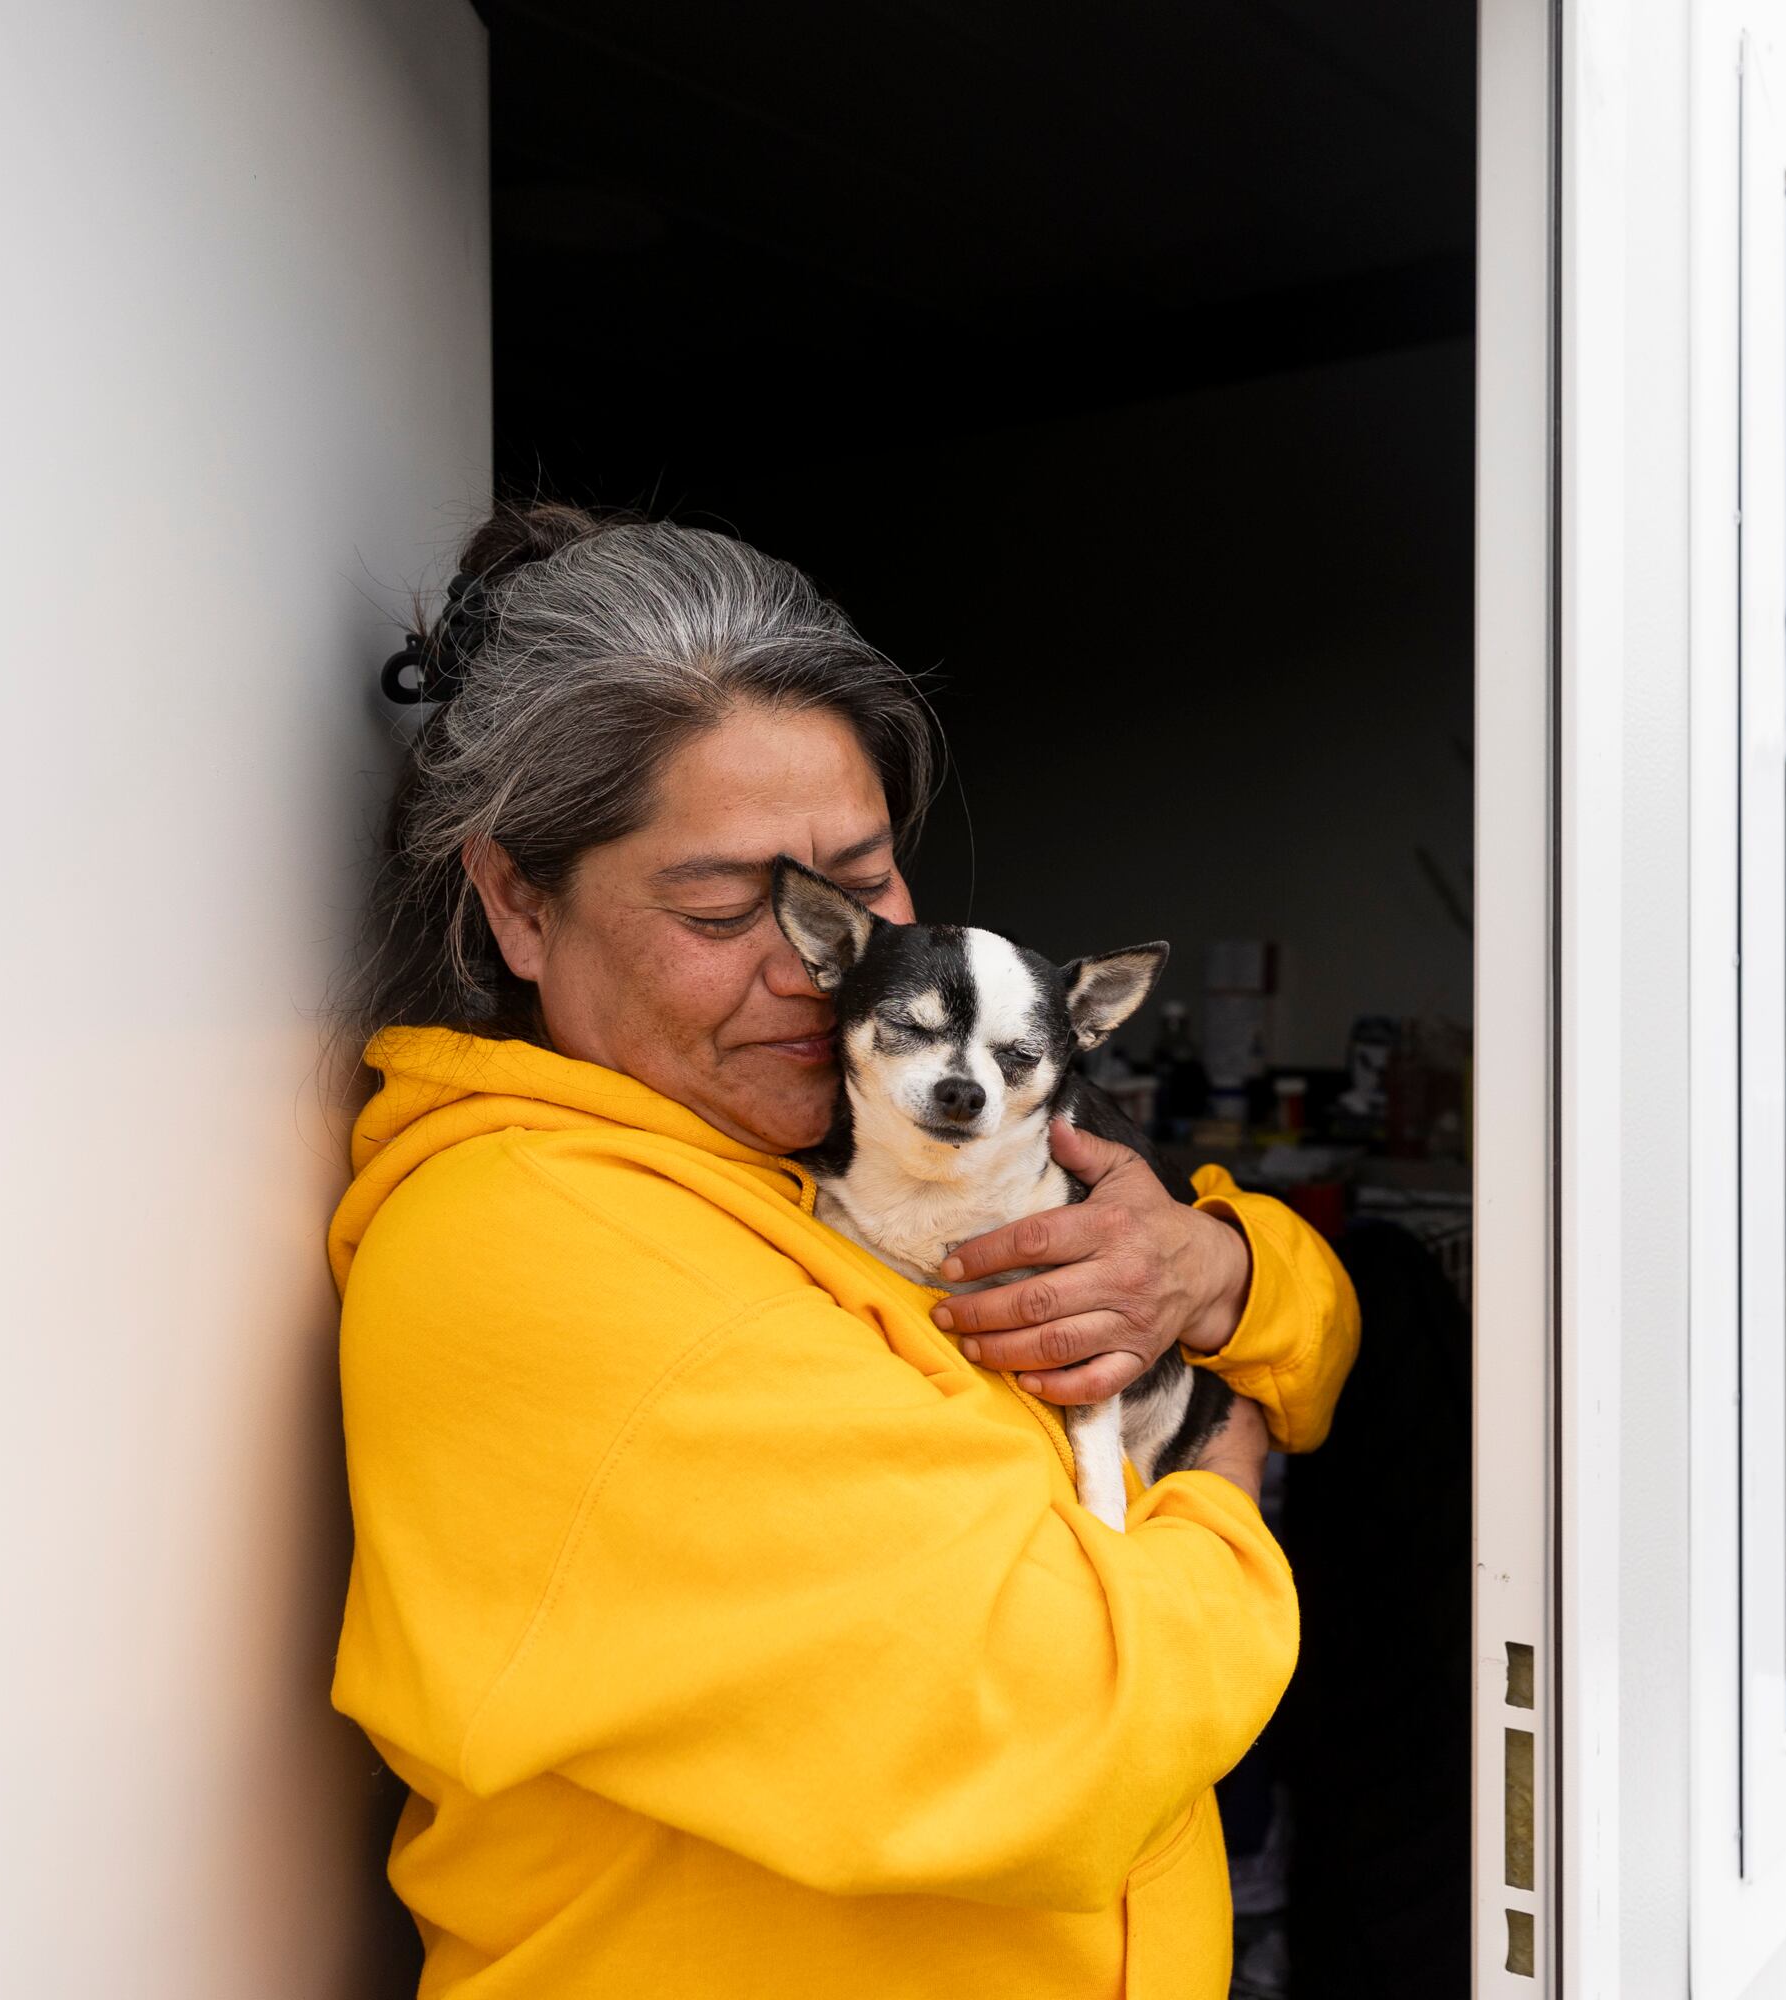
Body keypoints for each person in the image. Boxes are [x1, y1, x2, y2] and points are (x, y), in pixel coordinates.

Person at [330, 502, 1358, 1997]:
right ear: (516, 904)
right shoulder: (551, 1250)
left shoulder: (815, 1154)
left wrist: (1218, 1270)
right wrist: (1227, 1479)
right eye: (720, 903)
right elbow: (1067, 1725)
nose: (822, 969)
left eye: (860, 881)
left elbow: (1296, 1314)